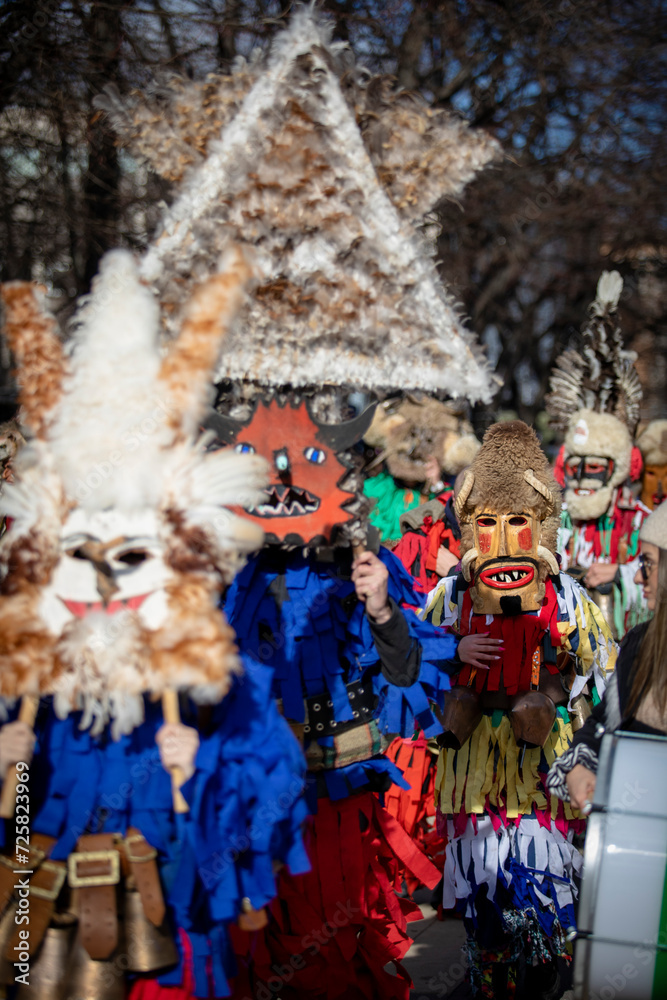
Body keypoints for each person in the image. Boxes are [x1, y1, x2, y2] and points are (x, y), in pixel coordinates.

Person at [422, 421, 617, 1000]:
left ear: (540, 526)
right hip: (475, 766)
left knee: (542, 894)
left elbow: (603, 671)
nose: (503, 540)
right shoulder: (450, 595)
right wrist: (451, 650)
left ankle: (541, 983)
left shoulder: (568, 597)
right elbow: (411, 664)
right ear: (469, 527)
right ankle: (489, 980)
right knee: (486, 897)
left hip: (539, 770)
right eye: (487, 524)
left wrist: (557, 689)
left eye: (516, 523)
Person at [547, 499, 667, 809]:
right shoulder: (641, 643)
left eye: (649, 563)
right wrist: (581, 763)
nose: (638, 577)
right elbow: (605, 721)